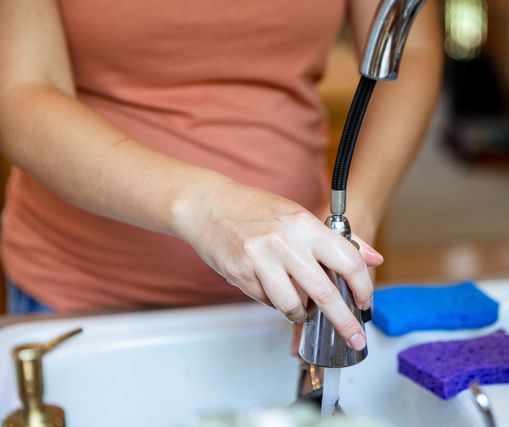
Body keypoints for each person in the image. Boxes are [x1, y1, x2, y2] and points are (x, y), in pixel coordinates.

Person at [0, 0, 441, 351]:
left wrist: (353, 210)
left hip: (291, 292)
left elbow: (411, 50)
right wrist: (206, 207)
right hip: (79, 293)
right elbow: (20, 92)